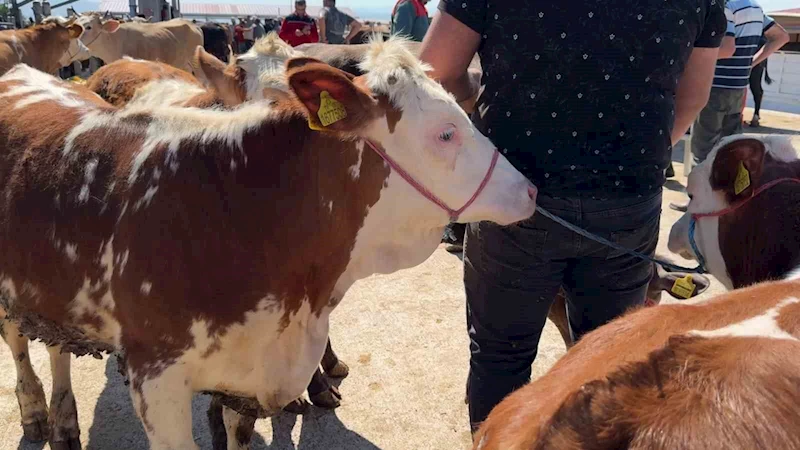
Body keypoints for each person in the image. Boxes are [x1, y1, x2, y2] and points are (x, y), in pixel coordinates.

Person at [419, 0, 726, 435]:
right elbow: (693, 99)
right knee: (605, 358)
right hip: (628, 202)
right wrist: (638, 161)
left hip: (515, 193)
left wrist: (476, 108)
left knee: (500, 357)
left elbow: (435, 72)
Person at [689, 0, 788, 165]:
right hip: (738, 88)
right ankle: (726, 189)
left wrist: (691, 56)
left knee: (703, 151)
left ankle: (699, 190)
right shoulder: (754, 8)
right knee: (732, 149)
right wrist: (751, 62)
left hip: (714, 87)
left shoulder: (725, 7)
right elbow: (781, 37)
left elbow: (727, 49)